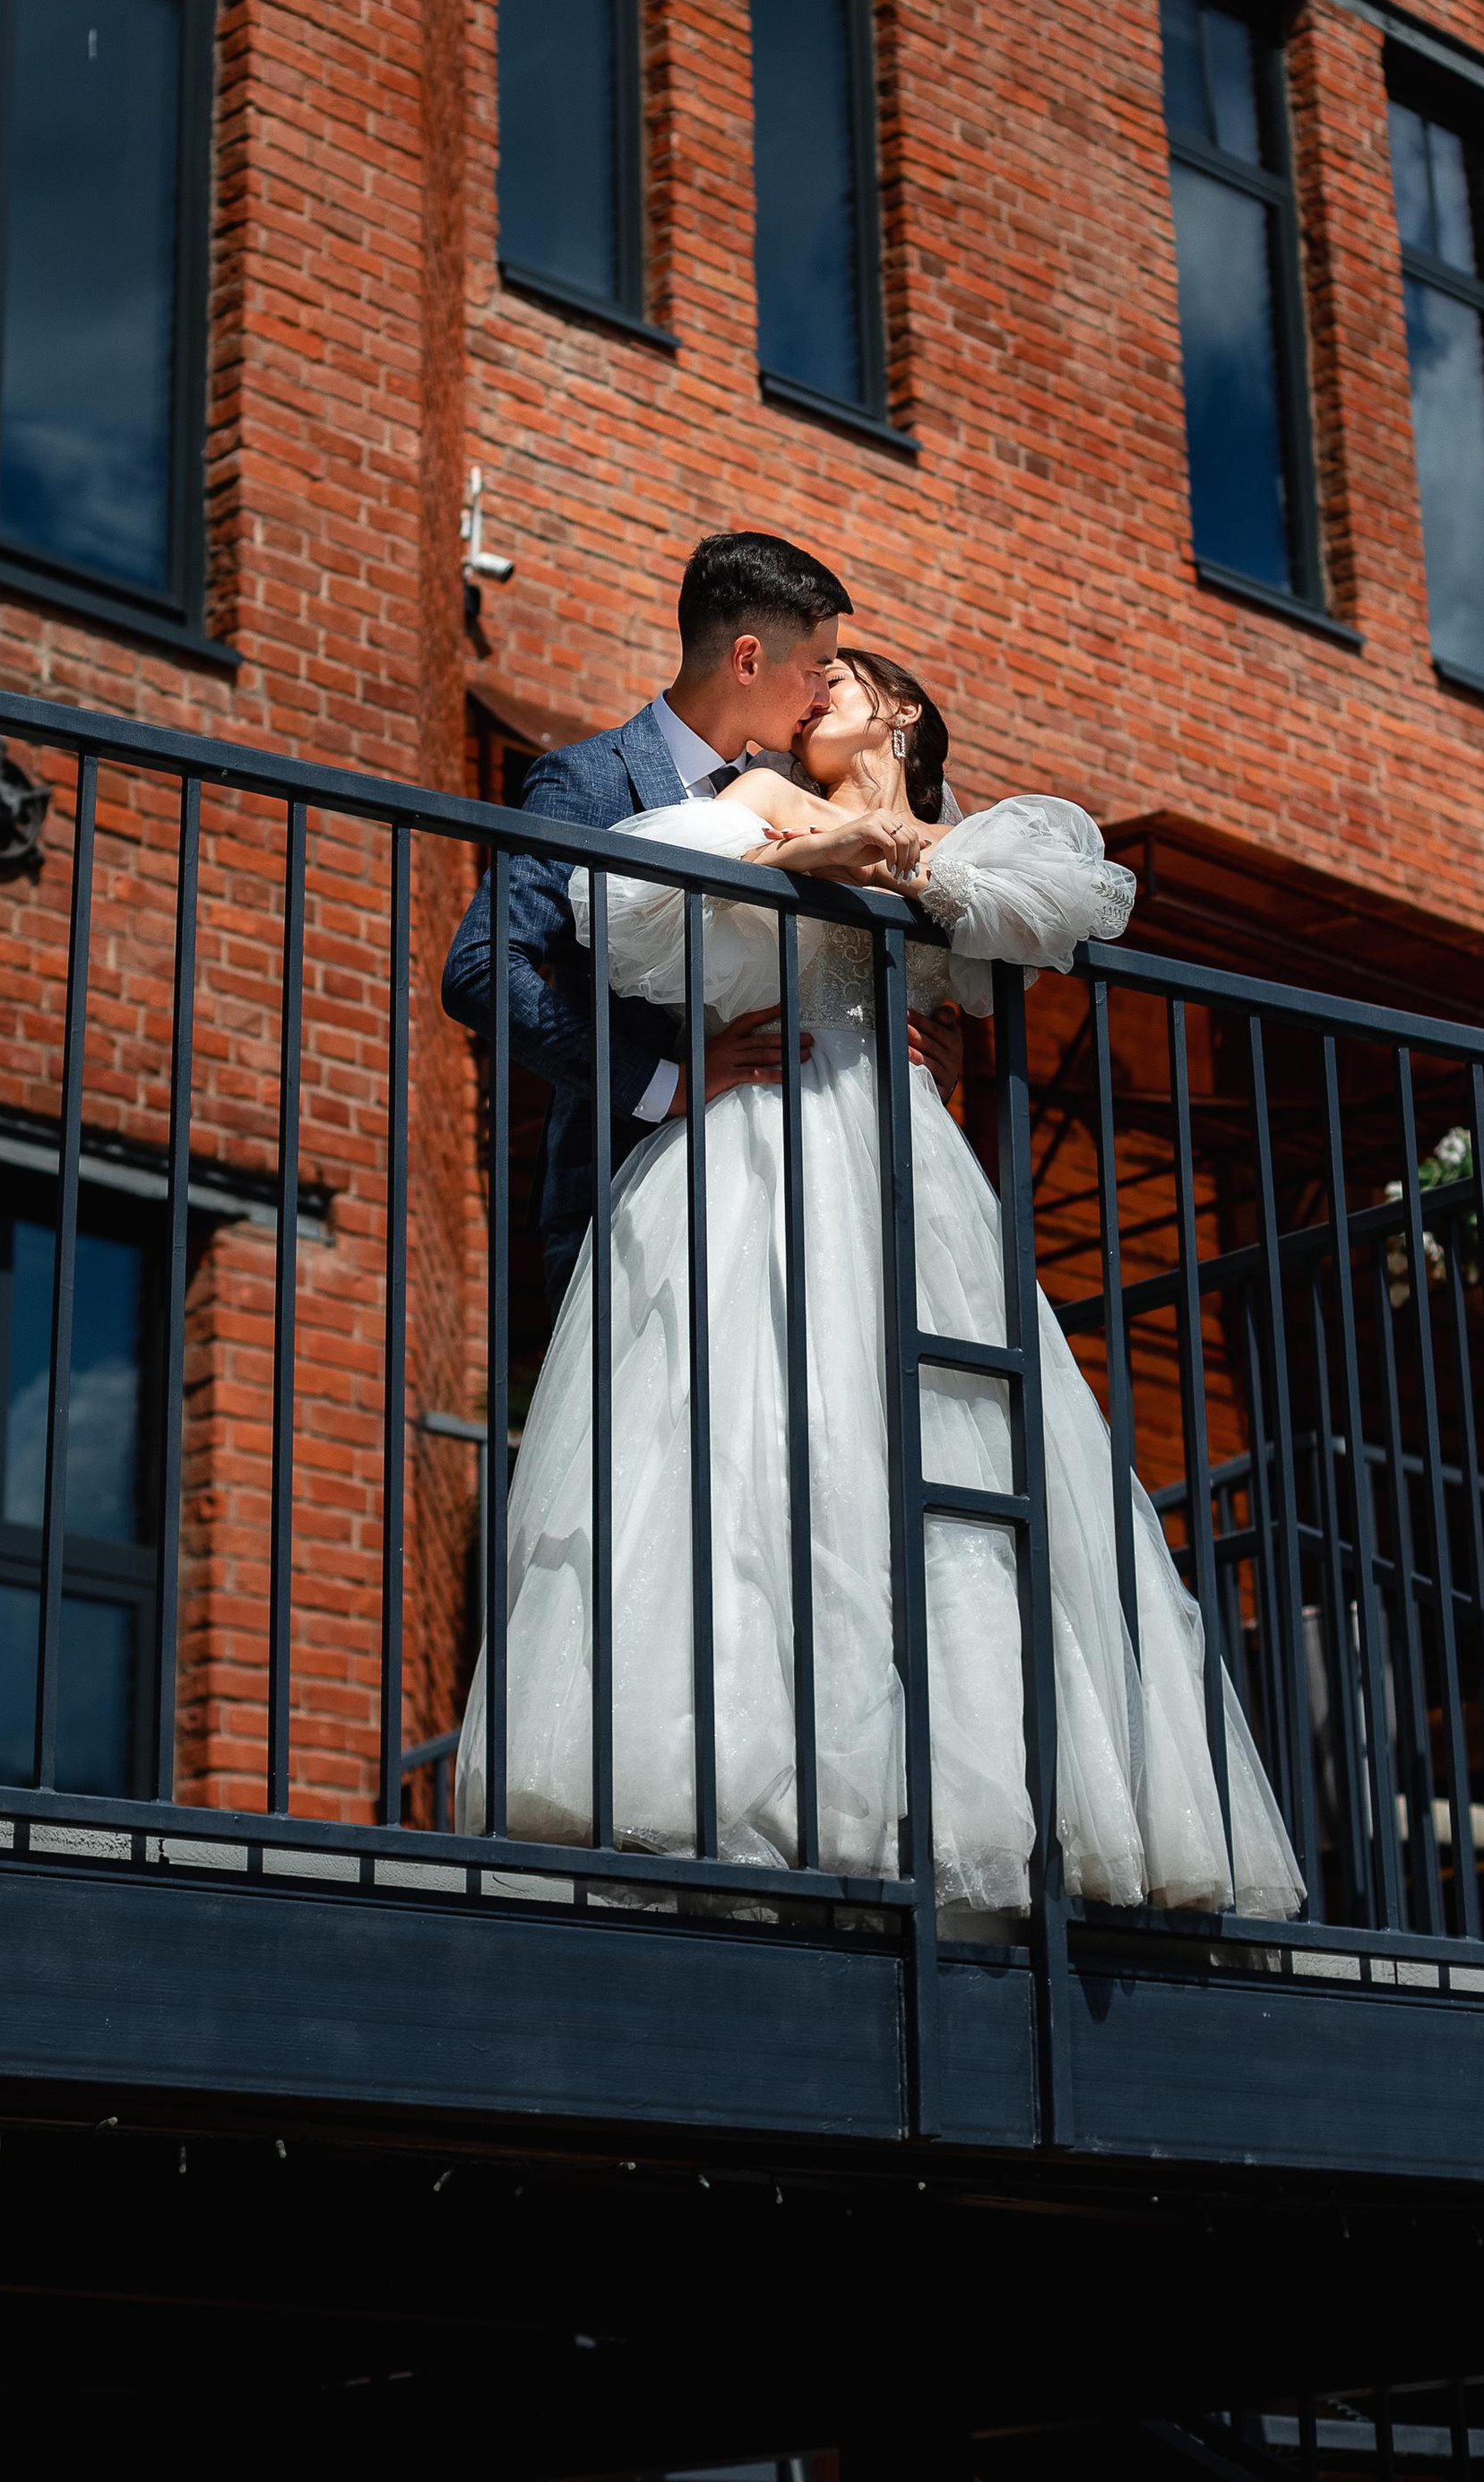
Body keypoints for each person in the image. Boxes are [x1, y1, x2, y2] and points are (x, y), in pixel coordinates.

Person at [454, 646, 1304, 1923]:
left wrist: (898, 863)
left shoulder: (963, 844)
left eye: (843, 679)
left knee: (944, 1455)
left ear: (901, 713)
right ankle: (733, 1780)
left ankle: (964, 1805)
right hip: (757, 1144)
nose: (815, 697)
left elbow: (1048, 904)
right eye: (811, 678)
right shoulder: (752, 799)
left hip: (908, 1167)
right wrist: (814, 856)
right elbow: (627, 902)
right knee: (747, 1439)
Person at [442, 530, 930, 1313]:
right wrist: (667, 1083)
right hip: (630, 1204)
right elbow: (481, 968)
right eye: (815, 669)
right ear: (747, 660)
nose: (821, 694)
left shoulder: (804, 788)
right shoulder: (589, 781)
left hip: (806, 1211)